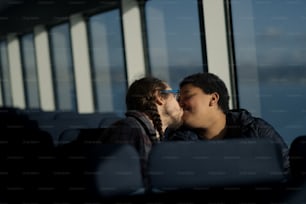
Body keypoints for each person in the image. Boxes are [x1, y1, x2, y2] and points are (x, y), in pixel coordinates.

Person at [166, 72, 290, 177]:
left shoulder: (255, 131)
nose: (180, 104)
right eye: (178, 99)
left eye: (187, 96)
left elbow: (287, 171)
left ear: (213, 99)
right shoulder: (177, 141)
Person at [101, 76, 183, 189]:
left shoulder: (157, 135)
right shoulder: (128, 129)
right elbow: (117, 184)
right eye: (175, 95)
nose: (180, 103)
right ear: (159, 97)